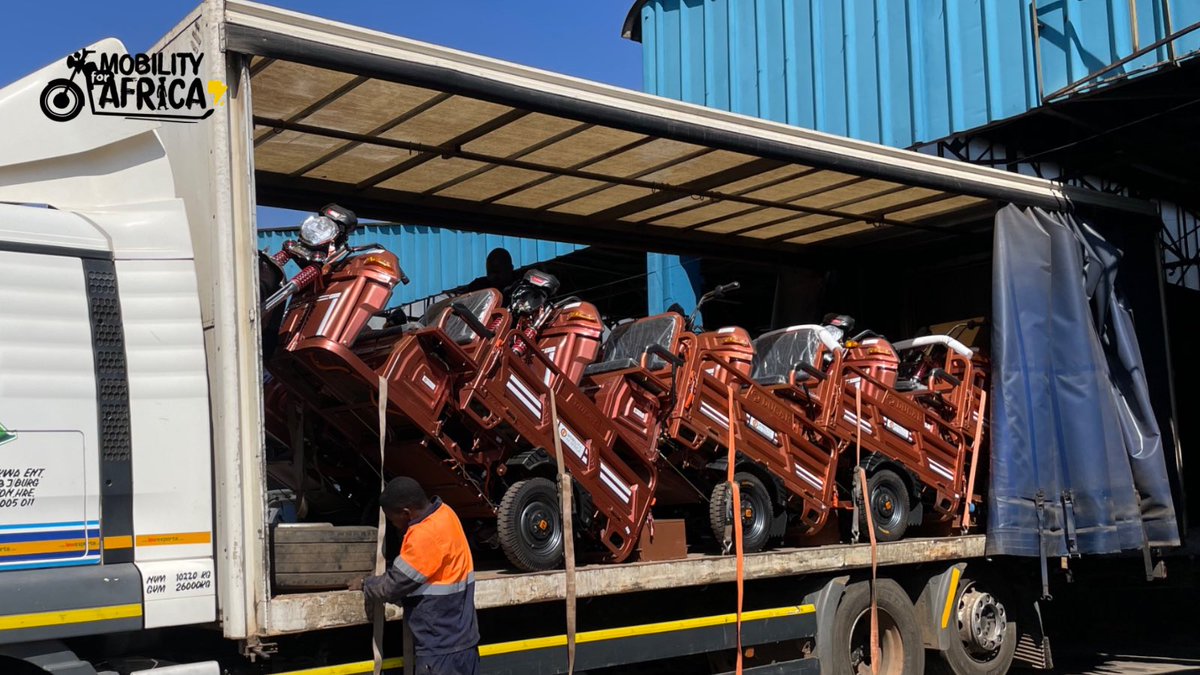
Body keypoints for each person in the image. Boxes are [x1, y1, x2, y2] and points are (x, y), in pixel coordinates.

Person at [351, 477, 479, 675]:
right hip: (463, 643)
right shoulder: (445, 514)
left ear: (406, 513)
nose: (394, 525)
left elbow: (393, 585)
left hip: (440, 650)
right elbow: (425, 568)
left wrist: (365, 584)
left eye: (393, 519)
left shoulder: (424, 534)